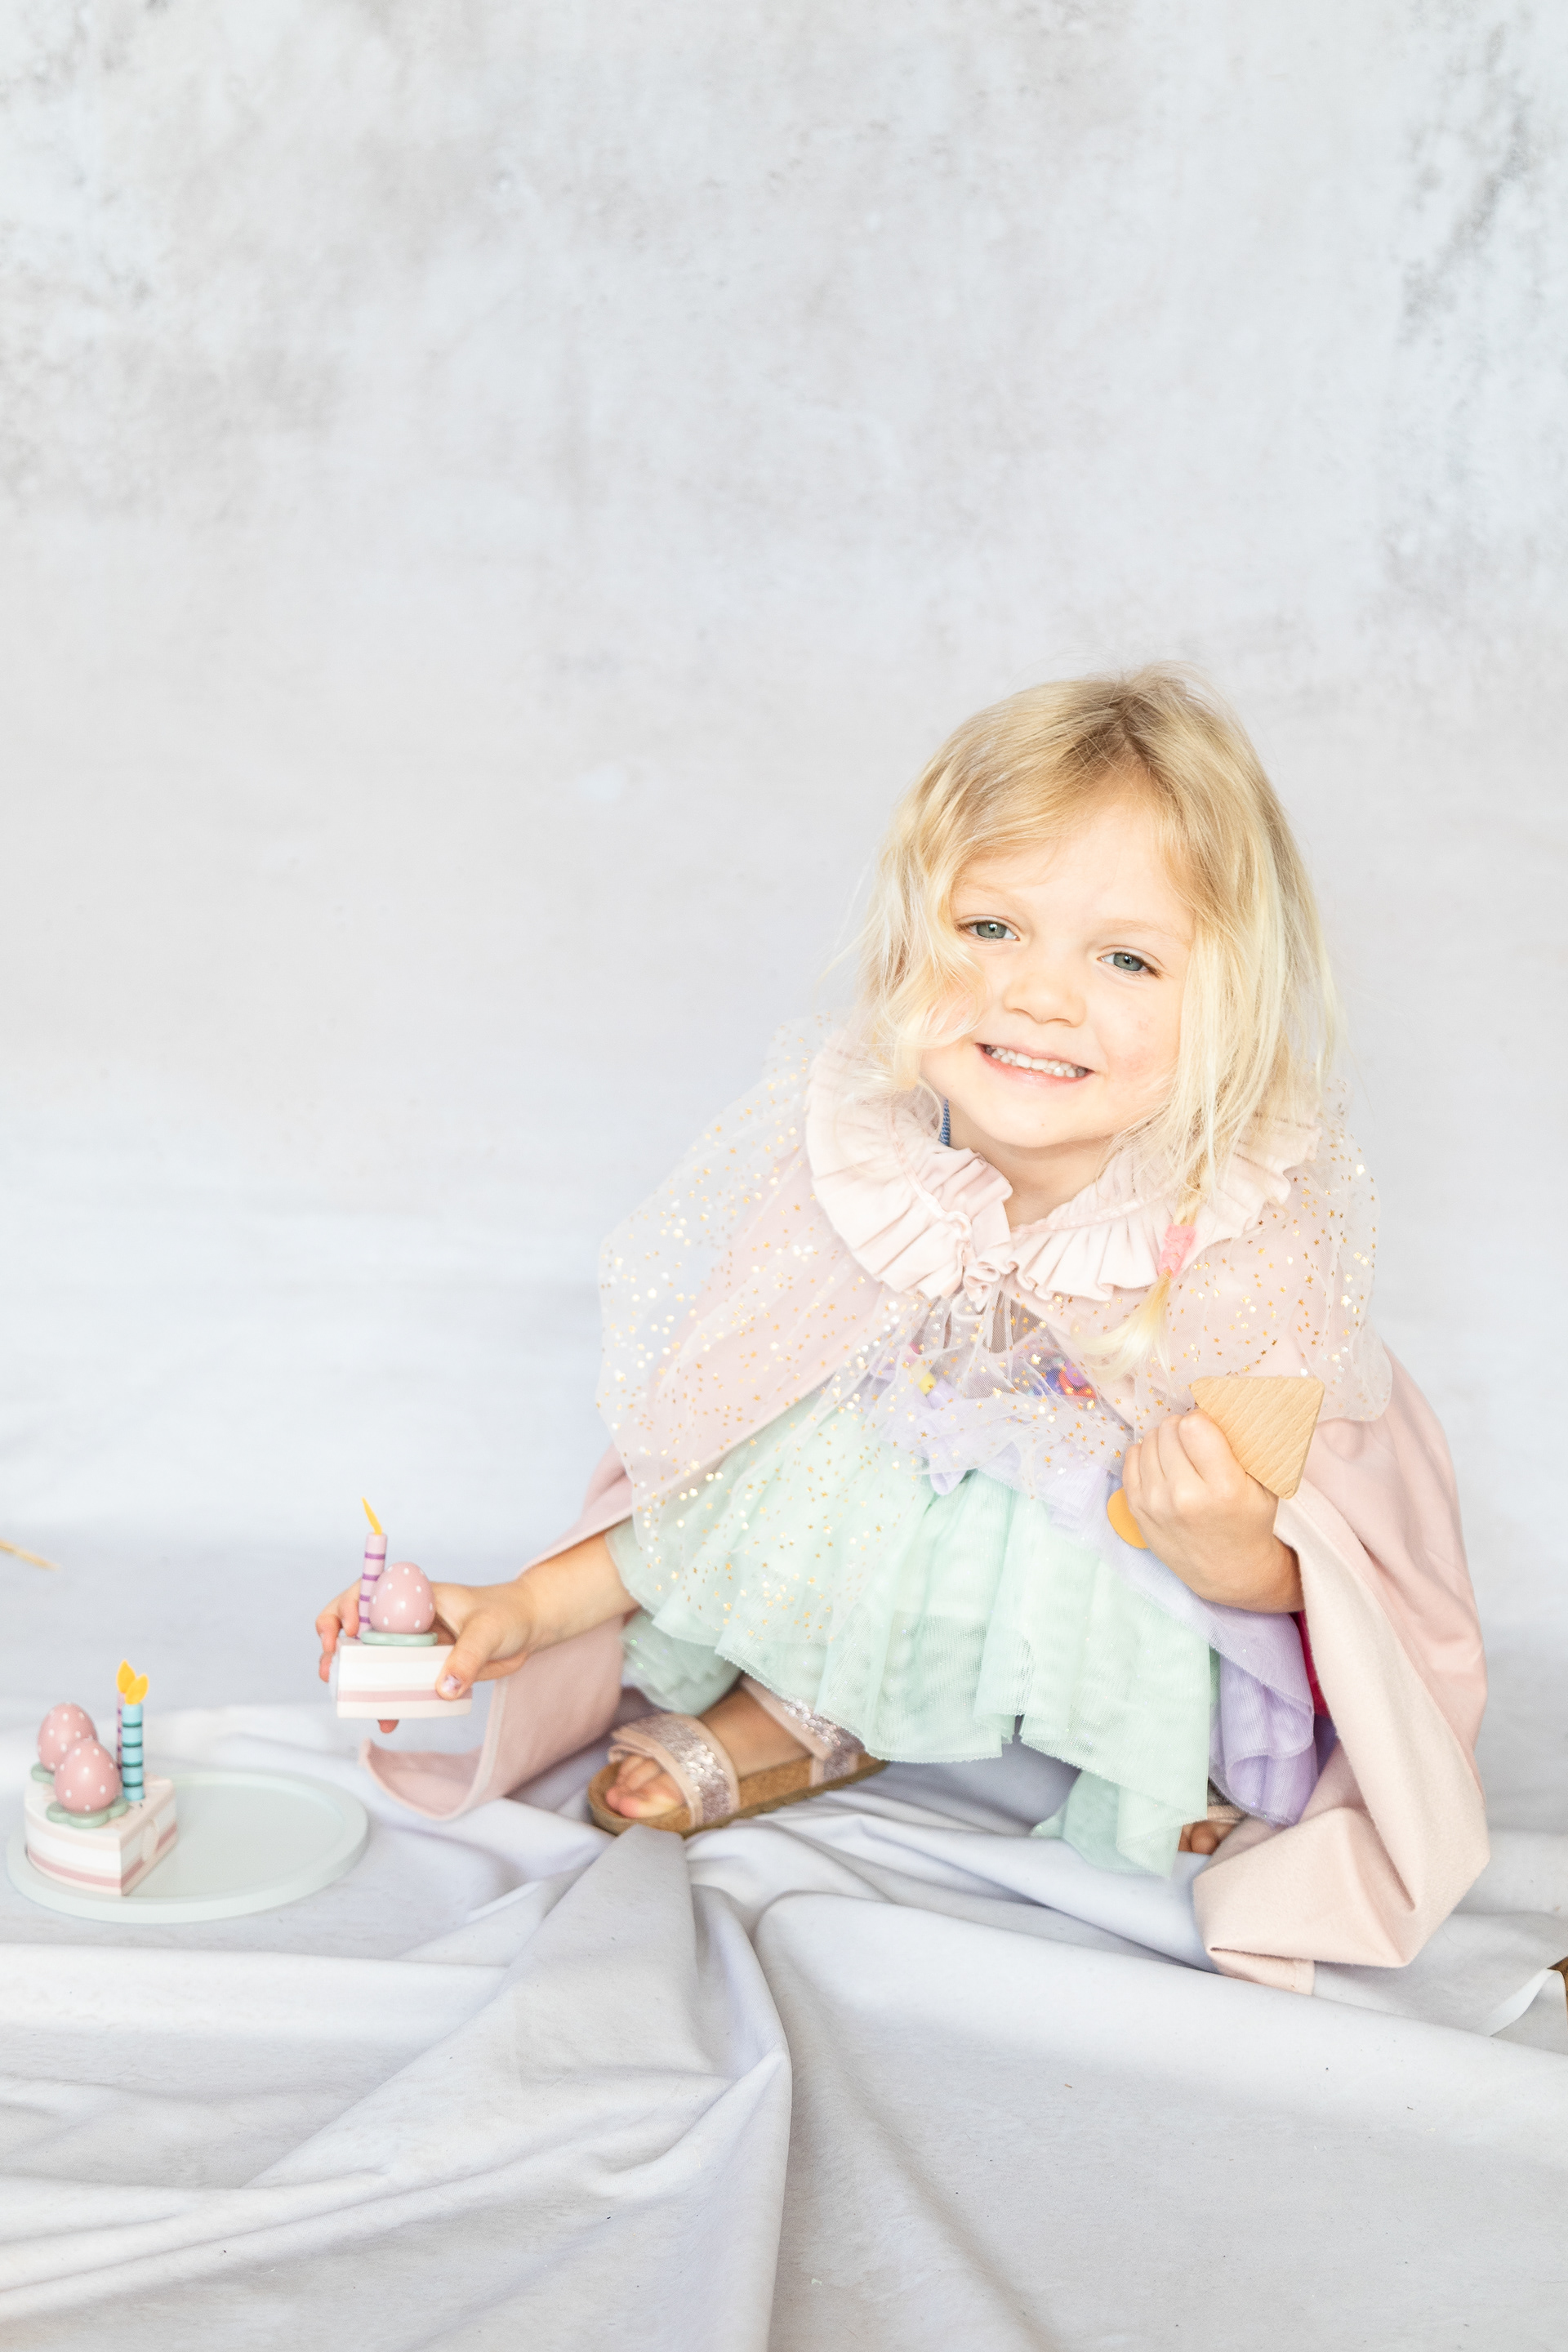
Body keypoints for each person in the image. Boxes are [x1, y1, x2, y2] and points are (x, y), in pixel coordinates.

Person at [317, 668, 1487, 1989]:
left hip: (1146, 1574)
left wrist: (1239, 1557)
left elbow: (1340, 1556)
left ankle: (1163, 1757)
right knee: (826, 1436)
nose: (1039, 995)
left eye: (1125, 958)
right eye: (991, 927)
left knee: (1149, 1504)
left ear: (1230, 995)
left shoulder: (1247, 1220)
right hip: (915, 1498)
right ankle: (825, 1696)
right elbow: (725, 1446)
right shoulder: (874, 1169)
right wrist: (529, 1608)